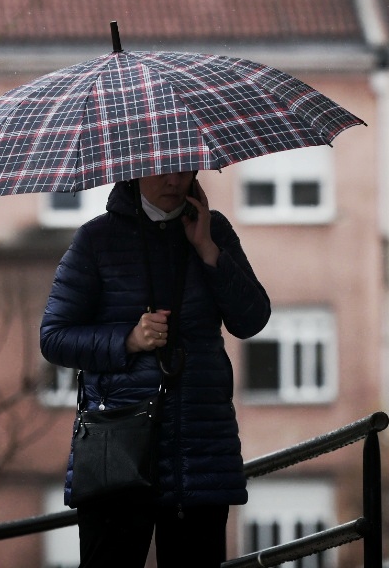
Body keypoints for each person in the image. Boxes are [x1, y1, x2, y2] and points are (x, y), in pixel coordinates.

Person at [40, 170, 272, 568]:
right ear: (134, 171)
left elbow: (251, 320)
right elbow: (54, 337)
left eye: (183, 167)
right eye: (161, 169)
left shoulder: (214, 231)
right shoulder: (96, 239)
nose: (174, 180)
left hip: (200, 450)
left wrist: (208, 250)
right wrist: (128, 340)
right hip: (119, 451)